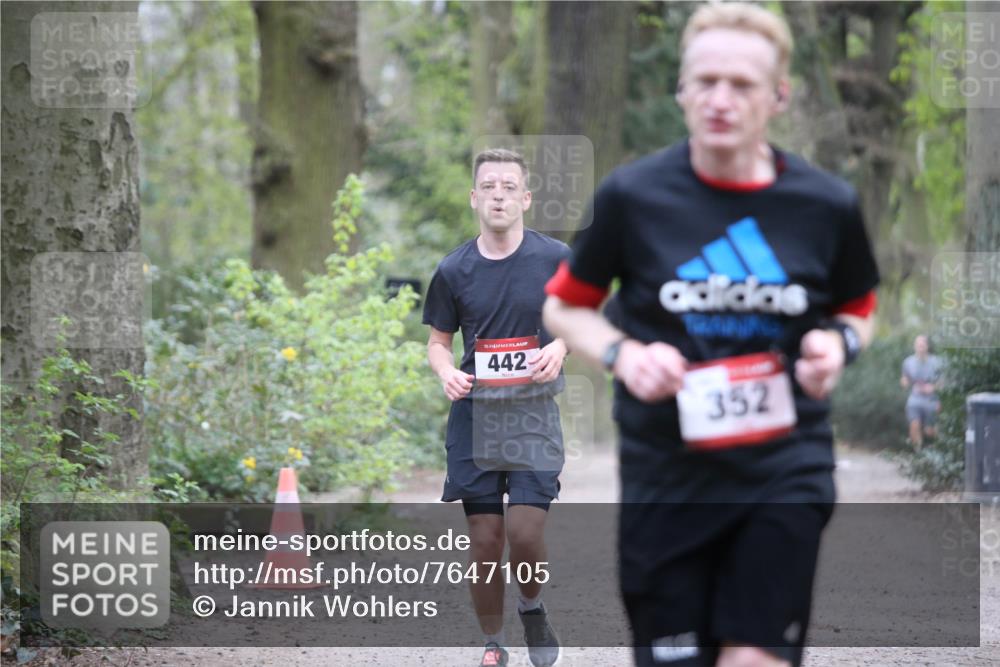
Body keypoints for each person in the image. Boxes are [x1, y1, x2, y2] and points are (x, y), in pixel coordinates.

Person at [542, 4, 879, 667]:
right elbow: (565, 308)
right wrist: (623, 353)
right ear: (682, 90)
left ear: (779, 95)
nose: (720, 99)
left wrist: (836, 347)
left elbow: (858, 308)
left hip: (784, 469)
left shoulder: (825, 205)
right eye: (705, 81)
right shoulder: (632, 198)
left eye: (742, 84)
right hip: (668, 478)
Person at [423, 148, 568, 667]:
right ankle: (492, 644)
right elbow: (438, 342)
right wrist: (446, 372)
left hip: (532, 416)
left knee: (525, 532)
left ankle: (532, 607)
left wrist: (560, 345)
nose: (499, 195)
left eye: (509, 186)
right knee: (486, 540)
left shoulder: (555, 259)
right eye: (489, 186)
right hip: (475, 418)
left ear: (525, 198)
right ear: (474, 198)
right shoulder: (453, 269)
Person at [900, 334, 943, 447]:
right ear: (914, 346)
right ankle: (918, 454)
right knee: (914, 425)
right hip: (915, 398)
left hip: (932, 400)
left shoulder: (937, 362)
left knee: (929, 431)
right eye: (917, 345)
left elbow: (944, 382)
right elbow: (905, 378)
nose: (920, 347)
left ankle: (941, 448)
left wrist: (933, 387)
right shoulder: (908, 362)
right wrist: (904, 382)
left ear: (927, 346)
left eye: (922, 345)